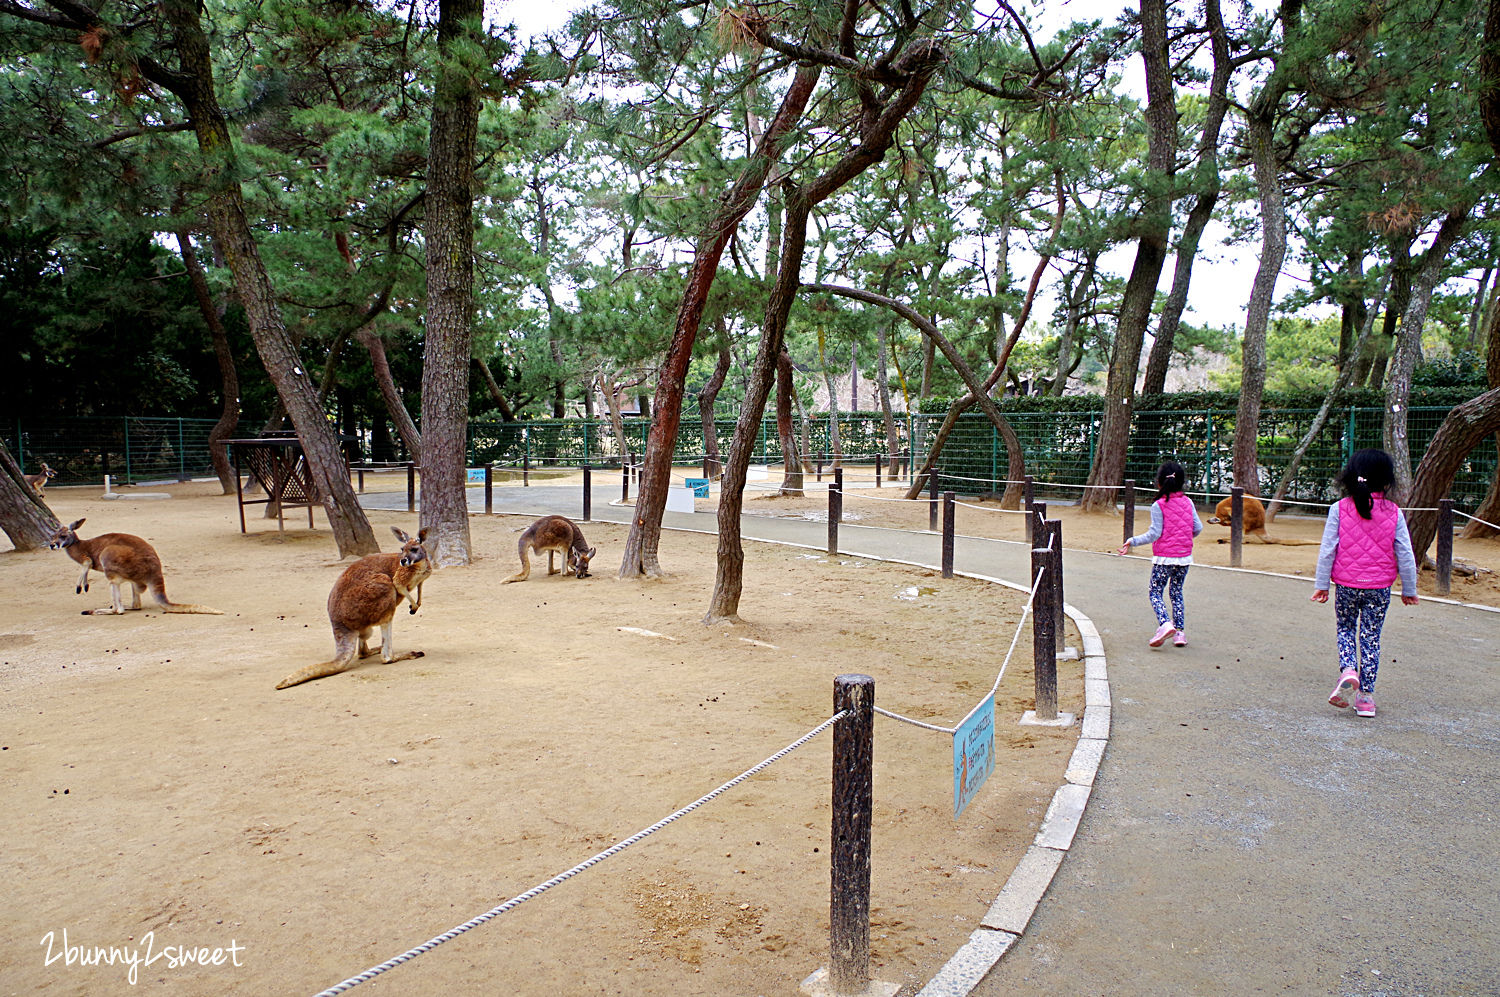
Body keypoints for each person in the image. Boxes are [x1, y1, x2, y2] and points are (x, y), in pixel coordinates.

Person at [1311, 448, 1419, 718]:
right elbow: (1405, 552)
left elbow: (1328, 549)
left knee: (1345, 628)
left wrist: (1322, 584)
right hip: (1379, 588)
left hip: (1346, 585)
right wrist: (1409, 589)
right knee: (1371, 638)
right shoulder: (1393, 511)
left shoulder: (1339, 509)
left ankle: (1348, 670)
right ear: (1386, 478)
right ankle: (1366, 699)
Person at [1117, 460, 1203, 647]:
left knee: (1155, 591)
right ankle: (1179, 633)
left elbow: (1154, 533)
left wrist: (1133, 541)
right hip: (1184, 557)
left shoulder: (1159, 505)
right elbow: (1198, 527)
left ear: (1159, 483)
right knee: (1176, 592)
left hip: (1164, 558)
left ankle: (1165, 623)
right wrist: (1184, 539)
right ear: (1182, 482)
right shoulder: (1188, 501)